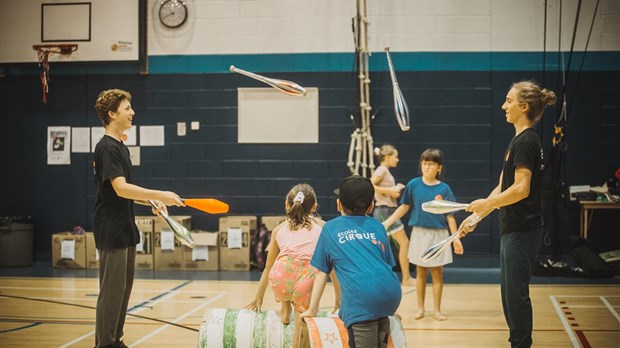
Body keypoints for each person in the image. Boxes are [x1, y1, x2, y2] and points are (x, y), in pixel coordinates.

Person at [459, 81, 556, 347]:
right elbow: (503, 186)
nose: (504, 105)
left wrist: (484, 206)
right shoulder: (519, 140)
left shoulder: (526, 141)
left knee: (515, 296)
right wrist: (478, 214)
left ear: (523, 106)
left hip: (523, 229)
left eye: (509, 100)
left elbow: (521, 189)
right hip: (512, 228)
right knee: (509, 296)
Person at [93, 89, 184, 348]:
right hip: (111, 228)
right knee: (111, 292)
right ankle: (105, 343)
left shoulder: (120, 146)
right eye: (126, 108)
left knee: (123, 290)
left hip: (125, 226)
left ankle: (115, 340)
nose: (132, 112)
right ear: (112, 114)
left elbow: (123, 192)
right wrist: (160, 193)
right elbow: (120, 188)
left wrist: (152, 201)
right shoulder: (107, 147)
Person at [300, 175, 402, 348]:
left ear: (339, 204)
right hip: (392, 294)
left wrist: (312, 309)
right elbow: (385, 266)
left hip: (362, 299)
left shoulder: (330, 228)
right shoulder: (378, 227)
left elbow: (322, 273)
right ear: (371, 207)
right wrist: (389, 304)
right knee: (377, 329)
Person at [245, 183, 333, 348]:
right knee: (303, 321)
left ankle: (285, 311)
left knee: (288, 270)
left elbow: (268, 267)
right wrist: (339, 299)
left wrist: (258, 297)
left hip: (279, 278)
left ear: (287, 205)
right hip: (306, 279)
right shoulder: (323, 227)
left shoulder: (279, 229)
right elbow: (331, 267)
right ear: (314, 207)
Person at [383, 148, 463, 321]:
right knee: (420, 272)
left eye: (431, 164)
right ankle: (420, 309)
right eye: (424, 163)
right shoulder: (413, 184)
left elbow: (450, 216)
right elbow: (404, 207)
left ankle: (437, 310)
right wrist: (387, 223)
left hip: (439, 235)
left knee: (437, 273)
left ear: (439, 168)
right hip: (420, 234)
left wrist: (455, 238)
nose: (427, 167)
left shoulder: (444, 188)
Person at [370, 145, 412, 286]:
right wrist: (390, 191)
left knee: (381, 247)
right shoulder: (382, 170)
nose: (397, 159)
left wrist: (395, 188)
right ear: (387, 157)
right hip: (385, 211)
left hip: (383, 210)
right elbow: (369, 185)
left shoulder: (384, 171)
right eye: (395, 156)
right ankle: (406, 278)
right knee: (404, 243)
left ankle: (379, 279)